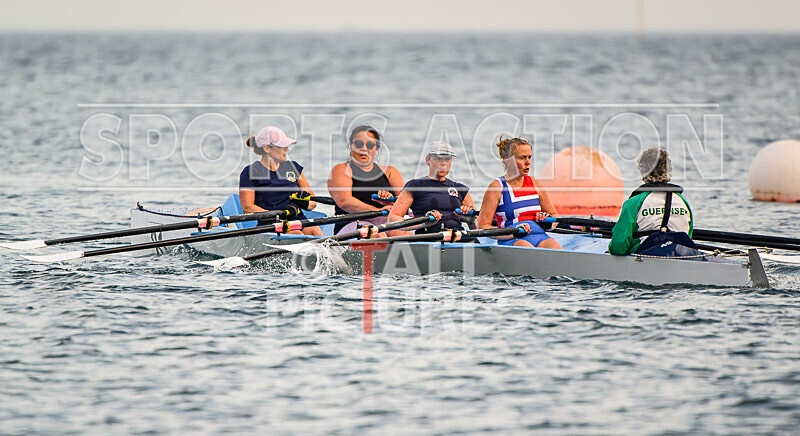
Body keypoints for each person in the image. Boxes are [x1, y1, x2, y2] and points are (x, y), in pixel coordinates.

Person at [477, 137, 562, 249]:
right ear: (508, 161)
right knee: (527, 248)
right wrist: (512, 233)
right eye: (522, 158)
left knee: (555, 247)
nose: (528, 162)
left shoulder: (536, 183)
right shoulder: (497, 187)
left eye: (529, 157)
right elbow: (483, 225)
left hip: (540, 236)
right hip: (513, 239)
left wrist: (547, 222)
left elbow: (554, 216)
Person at [608, 148, 695, 255]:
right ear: (669, 170)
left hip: (645, 257)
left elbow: (618, 247)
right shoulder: (683, 202)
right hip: (682, 254)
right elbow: (689, 235)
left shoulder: (634, 203)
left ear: (643, 170)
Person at [238, 126, 323, 236]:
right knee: (296, 233)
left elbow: (313, 202)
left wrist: (305, 203)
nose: (287, 149)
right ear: (267, 148)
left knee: (314, 230)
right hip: (271, 224)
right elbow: (247, 208)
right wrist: (277, 215)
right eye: (282, 146)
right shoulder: (251, 172)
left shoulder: (293, 168)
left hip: (297, 219)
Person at [327, 126, 405, 234]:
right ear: (351, 146)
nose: (364, 149)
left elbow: (404, 202)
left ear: (376, 148)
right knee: (377, 234)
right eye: (359, 144)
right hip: (352, 224)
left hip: (383, 222)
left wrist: (389, 200)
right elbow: (344, 202)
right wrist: (377, 211)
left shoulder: (390, 172)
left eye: (369, 145)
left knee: (403, 233)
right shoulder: (341, 170)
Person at [387, 141, 476, 235]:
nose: (443, 164)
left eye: (447, 159)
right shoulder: (415, 186)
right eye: (438, 159)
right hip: (428, 238)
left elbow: (479, 225)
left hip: (458, 236)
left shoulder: (460, 189)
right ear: (427, 160)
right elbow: (393, 218)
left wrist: (471, 221)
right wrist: (423, 223)